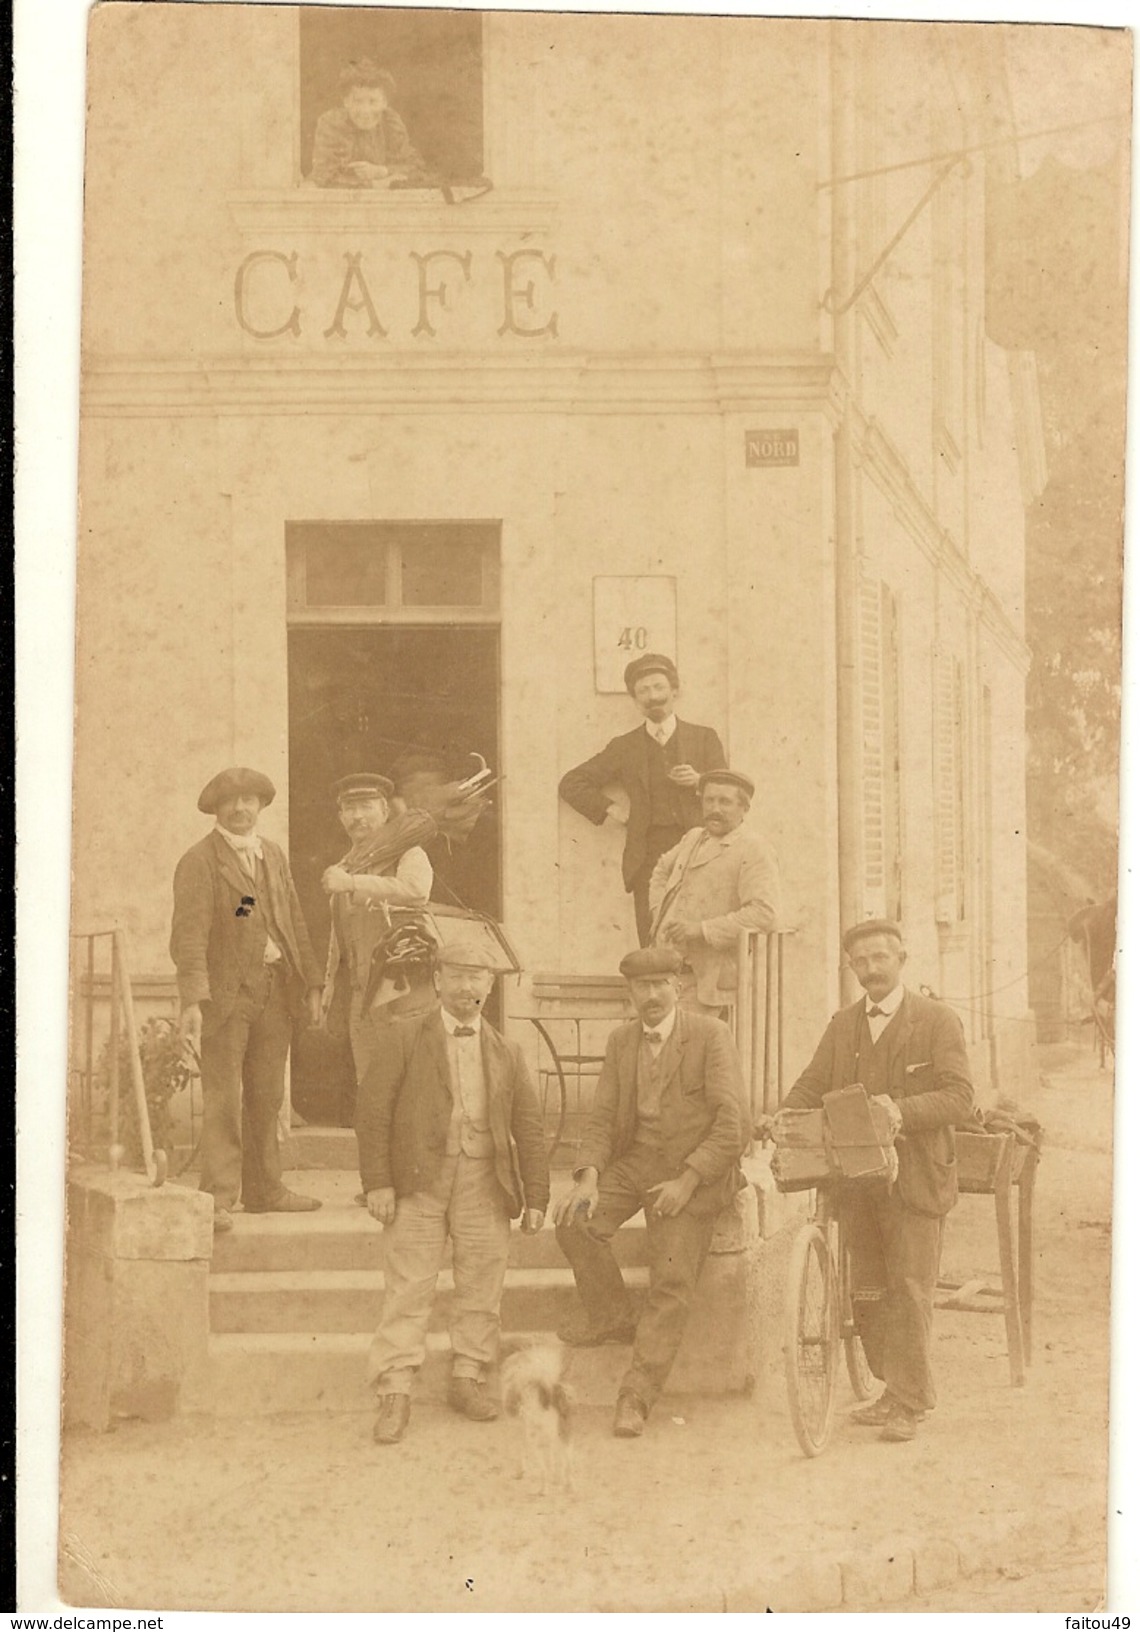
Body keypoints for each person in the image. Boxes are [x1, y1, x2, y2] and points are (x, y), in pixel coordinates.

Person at [776, 920, 974, 1443]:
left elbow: (960, 1098)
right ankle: (893, 1388)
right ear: (852, 967)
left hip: (915, 1180)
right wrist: (783, 1116)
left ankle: (910, 1401)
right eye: (861, 962)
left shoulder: (936, 1021)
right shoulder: (843, 1025)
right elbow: (812, 1083)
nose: (872, 969)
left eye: (881, 958)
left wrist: (900, 1111)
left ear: (902, 958)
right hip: (857, 1183)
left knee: (909, 1289)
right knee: (864, 1291)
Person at [355, 941, 550, 1445]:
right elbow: (373, 1114)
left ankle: (468, 1376)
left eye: (478, 977)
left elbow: (529, 1126)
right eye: (458, 975)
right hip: (420, 1180)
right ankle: (395, 1390)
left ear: (491, 985)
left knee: (482, 1285)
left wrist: (537, 1196)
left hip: (485, 1181)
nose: (468, 987)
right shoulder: (403, 1038)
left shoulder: (506, 1050)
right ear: (438, 980)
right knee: (409, 1285)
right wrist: (377, 1181)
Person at [552, 946, 747, 1438]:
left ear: (678, 988)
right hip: (635, 1163)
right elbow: (600, 1118)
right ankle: (614, 1316)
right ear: (630, 994)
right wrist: (589, 1178)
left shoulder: (710, 1035)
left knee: (671, 1279)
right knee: (574, 1221)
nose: (653, 995)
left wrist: (688, 1180)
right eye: (642, 987)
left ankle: (637, 1393)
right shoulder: (622, 1042)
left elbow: (733, 1124)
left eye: (662, 984)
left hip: (691, 1171)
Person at [170, 767, 325, 1232]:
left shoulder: (272, 855)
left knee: (267, 1095)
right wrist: (194, 1000)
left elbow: (292, 919)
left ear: (261, 806)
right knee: (223, 1098)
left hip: (275, 992)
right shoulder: (199, 860)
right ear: (216, 809)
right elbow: (189, 938)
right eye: (230, 802)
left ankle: (266, 1189)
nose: (240, 809)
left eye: (249, 801)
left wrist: (313, 981)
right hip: (227, 997)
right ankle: (217, 1198)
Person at [558, 654, 727, 945]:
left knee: (699, 940)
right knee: (653, 942)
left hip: (700, 852)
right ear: (636, 701)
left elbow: (730, 793)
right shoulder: (624, 747)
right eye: (643, 691)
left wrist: (700, 780)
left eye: (659, 688)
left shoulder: (703, 738)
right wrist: (610, 808)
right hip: (649, 857)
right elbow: (571, 783)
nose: (653, 697)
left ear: (674, 691)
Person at [322, 772, 434, 1092]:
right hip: (361, 997)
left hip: (403, 992)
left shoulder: (408, 853)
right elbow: (339, 937)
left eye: (367, 806)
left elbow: (415, 890)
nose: (358, 817)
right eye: (350, 808)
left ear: (385, 811)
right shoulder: (344, 865)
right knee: (371, 1090)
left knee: (411, 1086)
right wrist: (332, 985)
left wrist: (354, 885)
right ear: (341, 816)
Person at [649, 769, 781, 1015]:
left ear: (744, 808)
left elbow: (764, 914)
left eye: (725, 801)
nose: (715, 809)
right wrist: (660, 914)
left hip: (713, 985)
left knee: (697, 1049)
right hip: (671, 974)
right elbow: (660, 870)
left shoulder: (753, 848)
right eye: (709, 800)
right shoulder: (694, 837)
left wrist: (701, 929)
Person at [310, 58, 425, 190]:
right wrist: (377, 184)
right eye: (358, 101)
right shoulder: (332, 124)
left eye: (373, 101)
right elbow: (324, 177)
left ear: (385, 103)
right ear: (346, 101)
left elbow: (416, 167)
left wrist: (382, 171)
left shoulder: (390, 122)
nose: (365, 111)